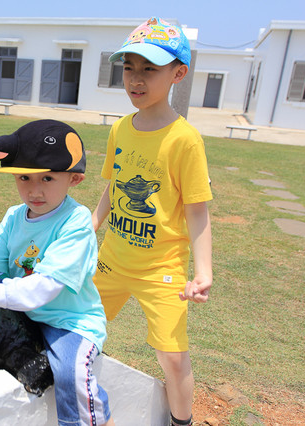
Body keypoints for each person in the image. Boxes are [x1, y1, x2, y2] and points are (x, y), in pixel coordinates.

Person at [0, 119, 115, 426]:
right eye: (25, 177)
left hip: (68, 320)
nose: (34, 190)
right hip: (27, 314)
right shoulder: (14, 216)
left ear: (74, 180)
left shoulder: (76, 223)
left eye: (48, 179)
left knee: (72, 372)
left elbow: (43, 288)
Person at [91, 17, 213, 426]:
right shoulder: (121, 129)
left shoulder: (185, 139)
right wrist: (92, 224)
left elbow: (197, 209)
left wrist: (202, 272)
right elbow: (114, 186)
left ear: (178, 73)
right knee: (76, 328)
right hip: (111, 261)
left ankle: (182, 422)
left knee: (173, 359)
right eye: (129, 67)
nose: (135, 79)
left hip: (161, 270)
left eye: (149, 69)